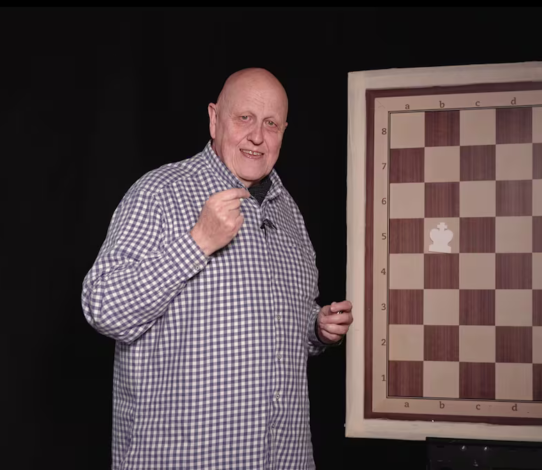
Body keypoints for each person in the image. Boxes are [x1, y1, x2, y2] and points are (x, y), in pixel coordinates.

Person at [81, 67, 353, 470]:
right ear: (214, 118)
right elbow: (103, 307)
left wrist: (316, 328)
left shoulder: (289, 212)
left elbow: (281, 327)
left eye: (271, 124)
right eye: (245, 118)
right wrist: (198, 243)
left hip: (284, 458)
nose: (257, 136)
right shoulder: (160, 191)